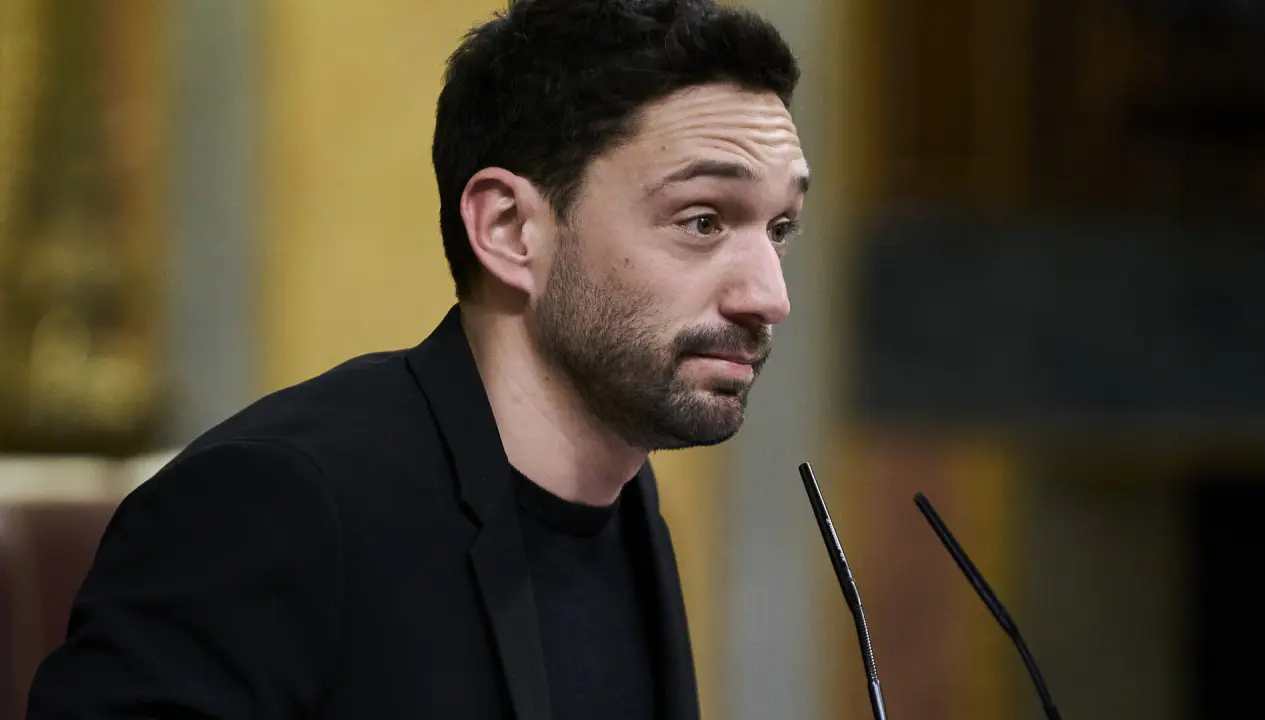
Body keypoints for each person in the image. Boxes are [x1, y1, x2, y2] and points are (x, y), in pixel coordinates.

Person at [27, 0, 809, 717]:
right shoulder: (272, 505)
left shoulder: (627, 507)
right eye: (703, 221)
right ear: (508, 229)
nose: (768, 296)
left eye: (779, 229)